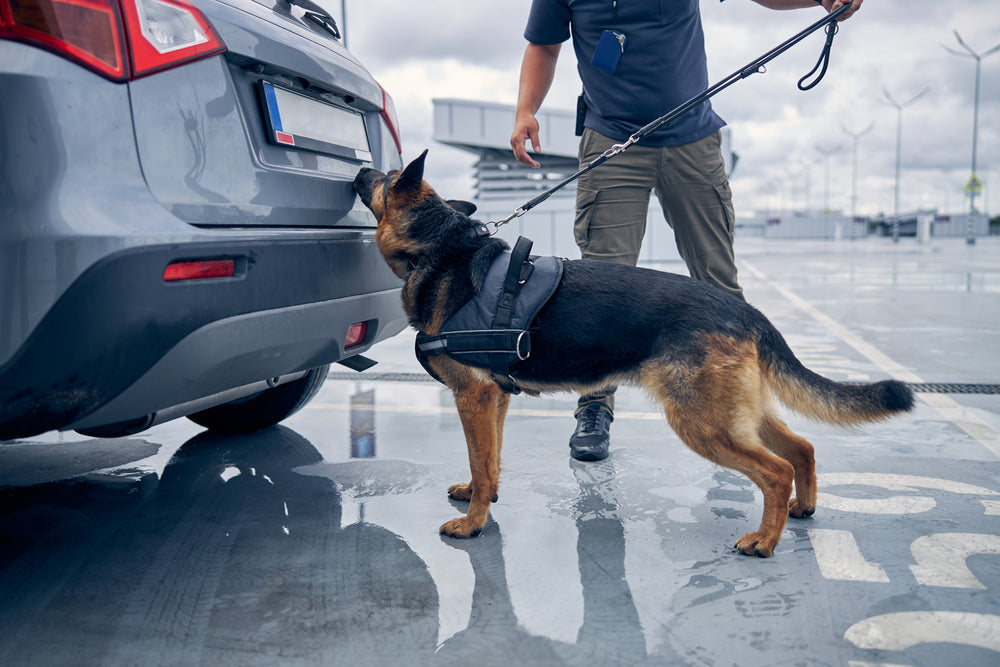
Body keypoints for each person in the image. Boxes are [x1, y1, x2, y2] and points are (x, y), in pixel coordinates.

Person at [510, 0, 862, 461]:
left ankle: (743, 407)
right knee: (600, 286)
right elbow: (544, 45)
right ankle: (595, 406)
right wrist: (525, 110)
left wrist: (819, 0)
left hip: (693, 137)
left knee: (718, 283)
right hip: (612, 140)